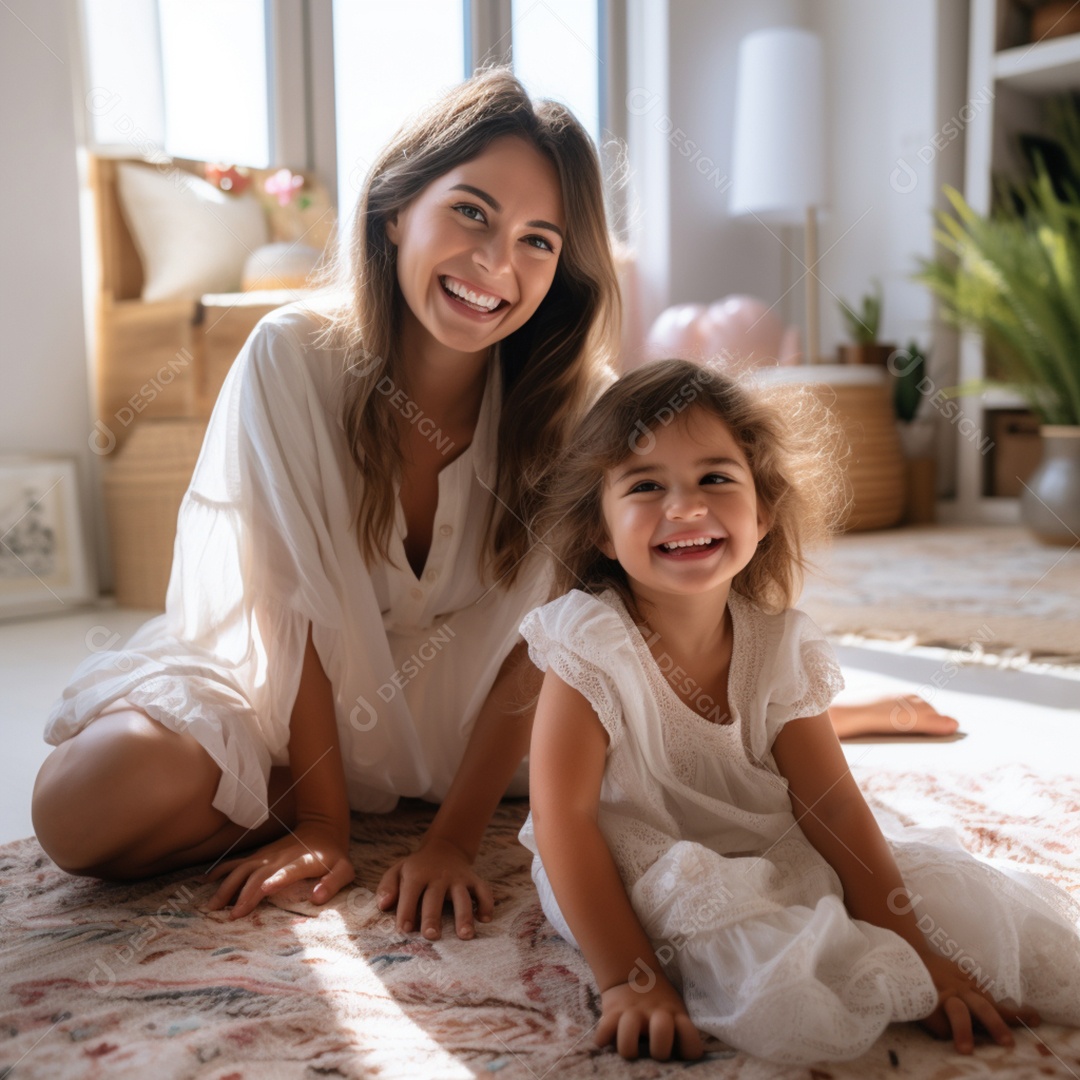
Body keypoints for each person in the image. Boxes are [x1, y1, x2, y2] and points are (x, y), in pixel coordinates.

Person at [33, 68, 954, 937]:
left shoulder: (578, 405)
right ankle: (349, 789)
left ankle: (800, 718)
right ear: (395, 209)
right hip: (294, 689)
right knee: (79, 808)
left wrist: (451, 838)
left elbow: (541, 646)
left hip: (484, 715)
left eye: (537, 242)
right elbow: (288, 603)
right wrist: (323, 822)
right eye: (471, 212)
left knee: (671, 758)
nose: (494, 263)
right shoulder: (291, 355)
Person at [520, 358, 1080, 1064]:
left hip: (764, 843)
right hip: (633, 860)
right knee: (770, 973)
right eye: (645, 486)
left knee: (955, 913)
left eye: (715, 478)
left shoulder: (780, 644)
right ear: (601, 531)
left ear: (762, 512)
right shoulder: (588, 642)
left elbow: (834, 807)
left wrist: (921, 954)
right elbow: (564, 822)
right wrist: (630, 980)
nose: (685, 507)